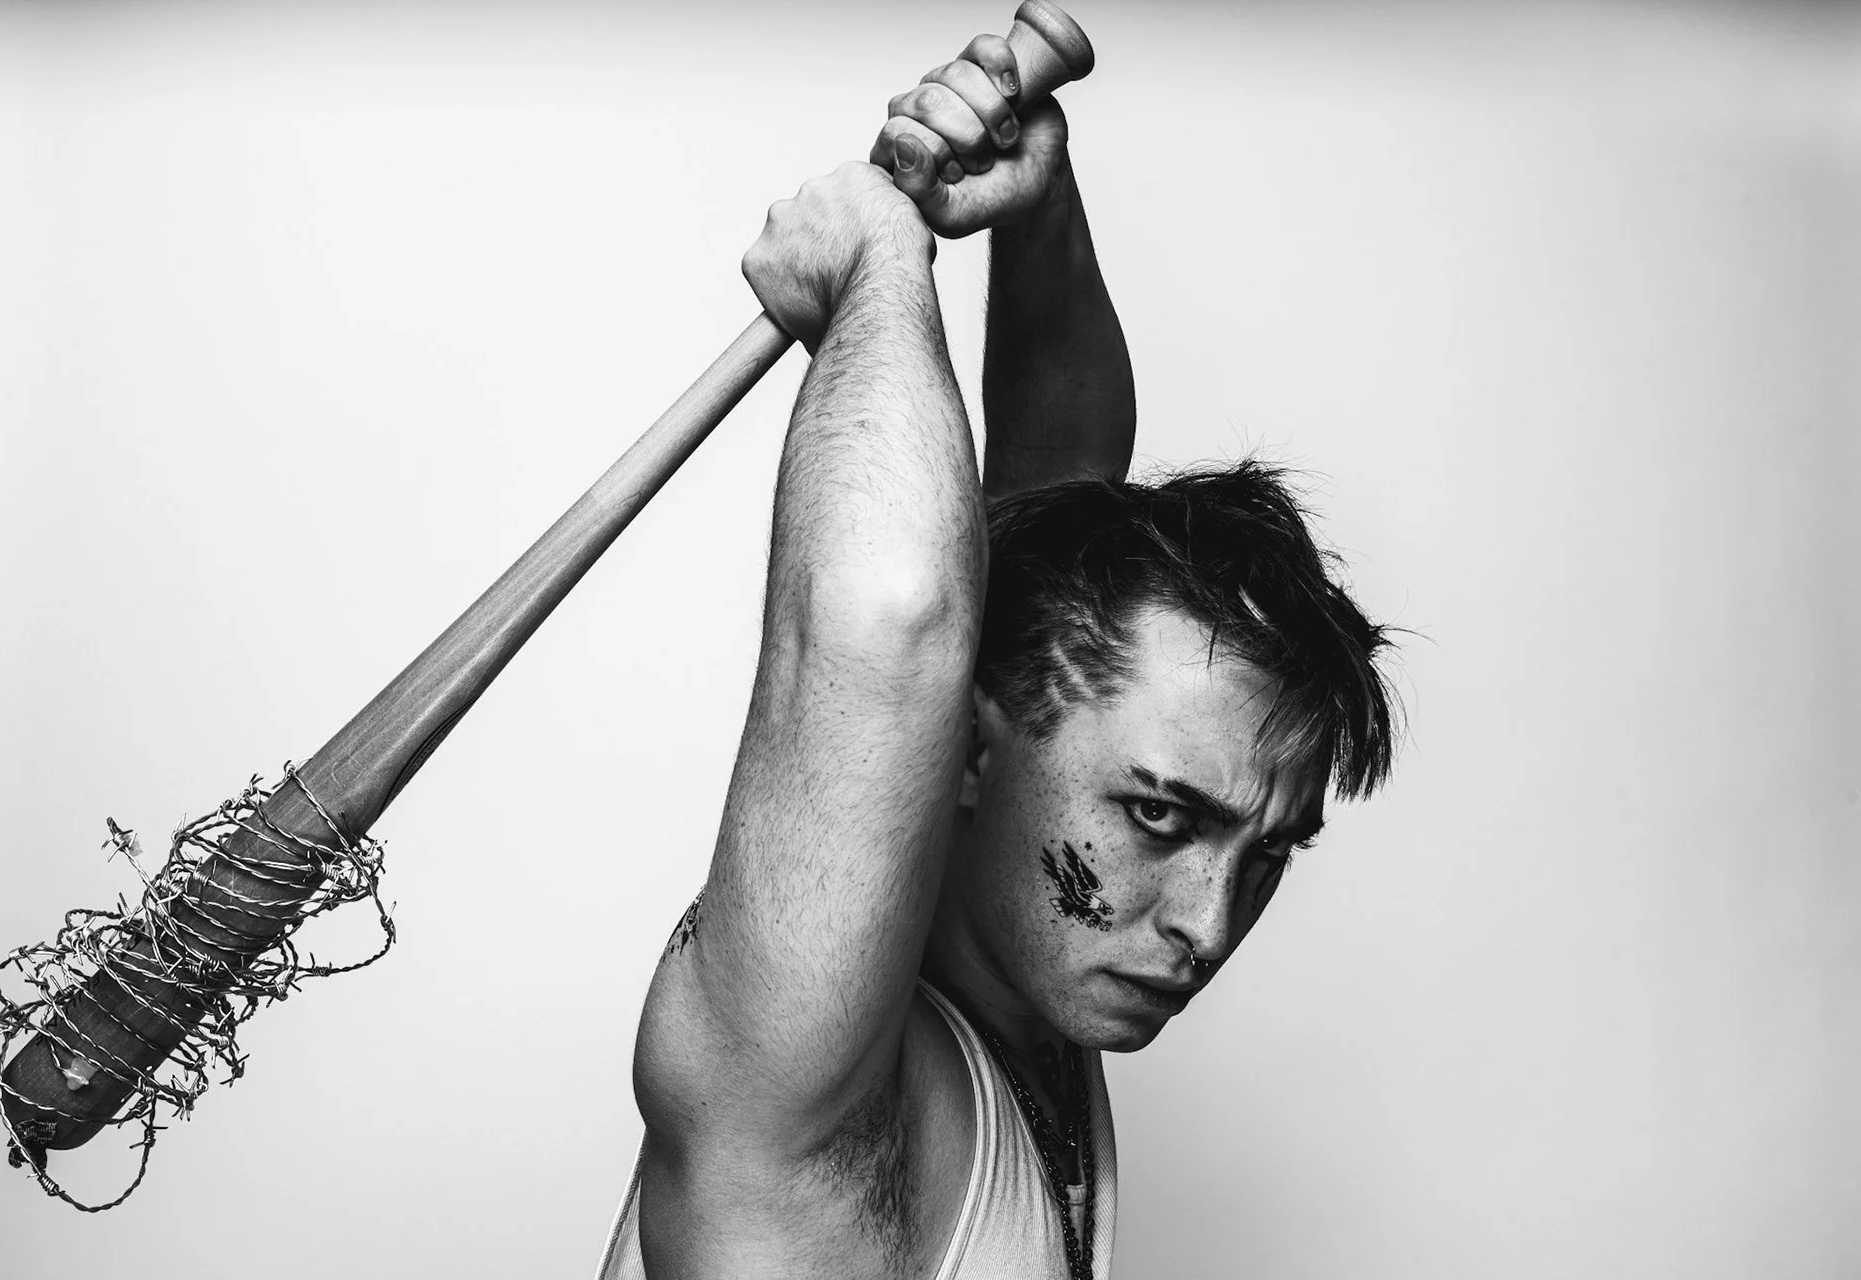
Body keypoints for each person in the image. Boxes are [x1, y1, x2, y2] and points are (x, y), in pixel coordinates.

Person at [596, 32, 1396, 1280]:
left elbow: (1050, 521)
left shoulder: (1033, 980)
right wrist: (877, 265)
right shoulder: (814, 1083)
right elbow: (893, 622)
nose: (1206, 924)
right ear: (964, 741)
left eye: (1265, 853)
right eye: (1161, 814)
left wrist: (1035, 210)